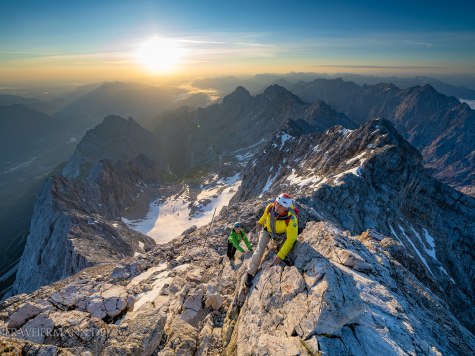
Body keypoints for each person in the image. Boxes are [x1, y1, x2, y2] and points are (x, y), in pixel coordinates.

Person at [244, 193, 298, 288]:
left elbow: (291, 238)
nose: (277, 206)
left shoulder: (291, 218)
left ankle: (279, 251)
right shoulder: (270, 207)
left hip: (281, 235)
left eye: (280, 205)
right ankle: (250, 273)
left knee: (284, 247)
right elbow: (265, 216)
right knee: (259, 250)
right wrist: (260, 222)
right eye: (277, 203)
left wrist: (280, 255)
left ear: (286, 208)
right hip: (267, 231)